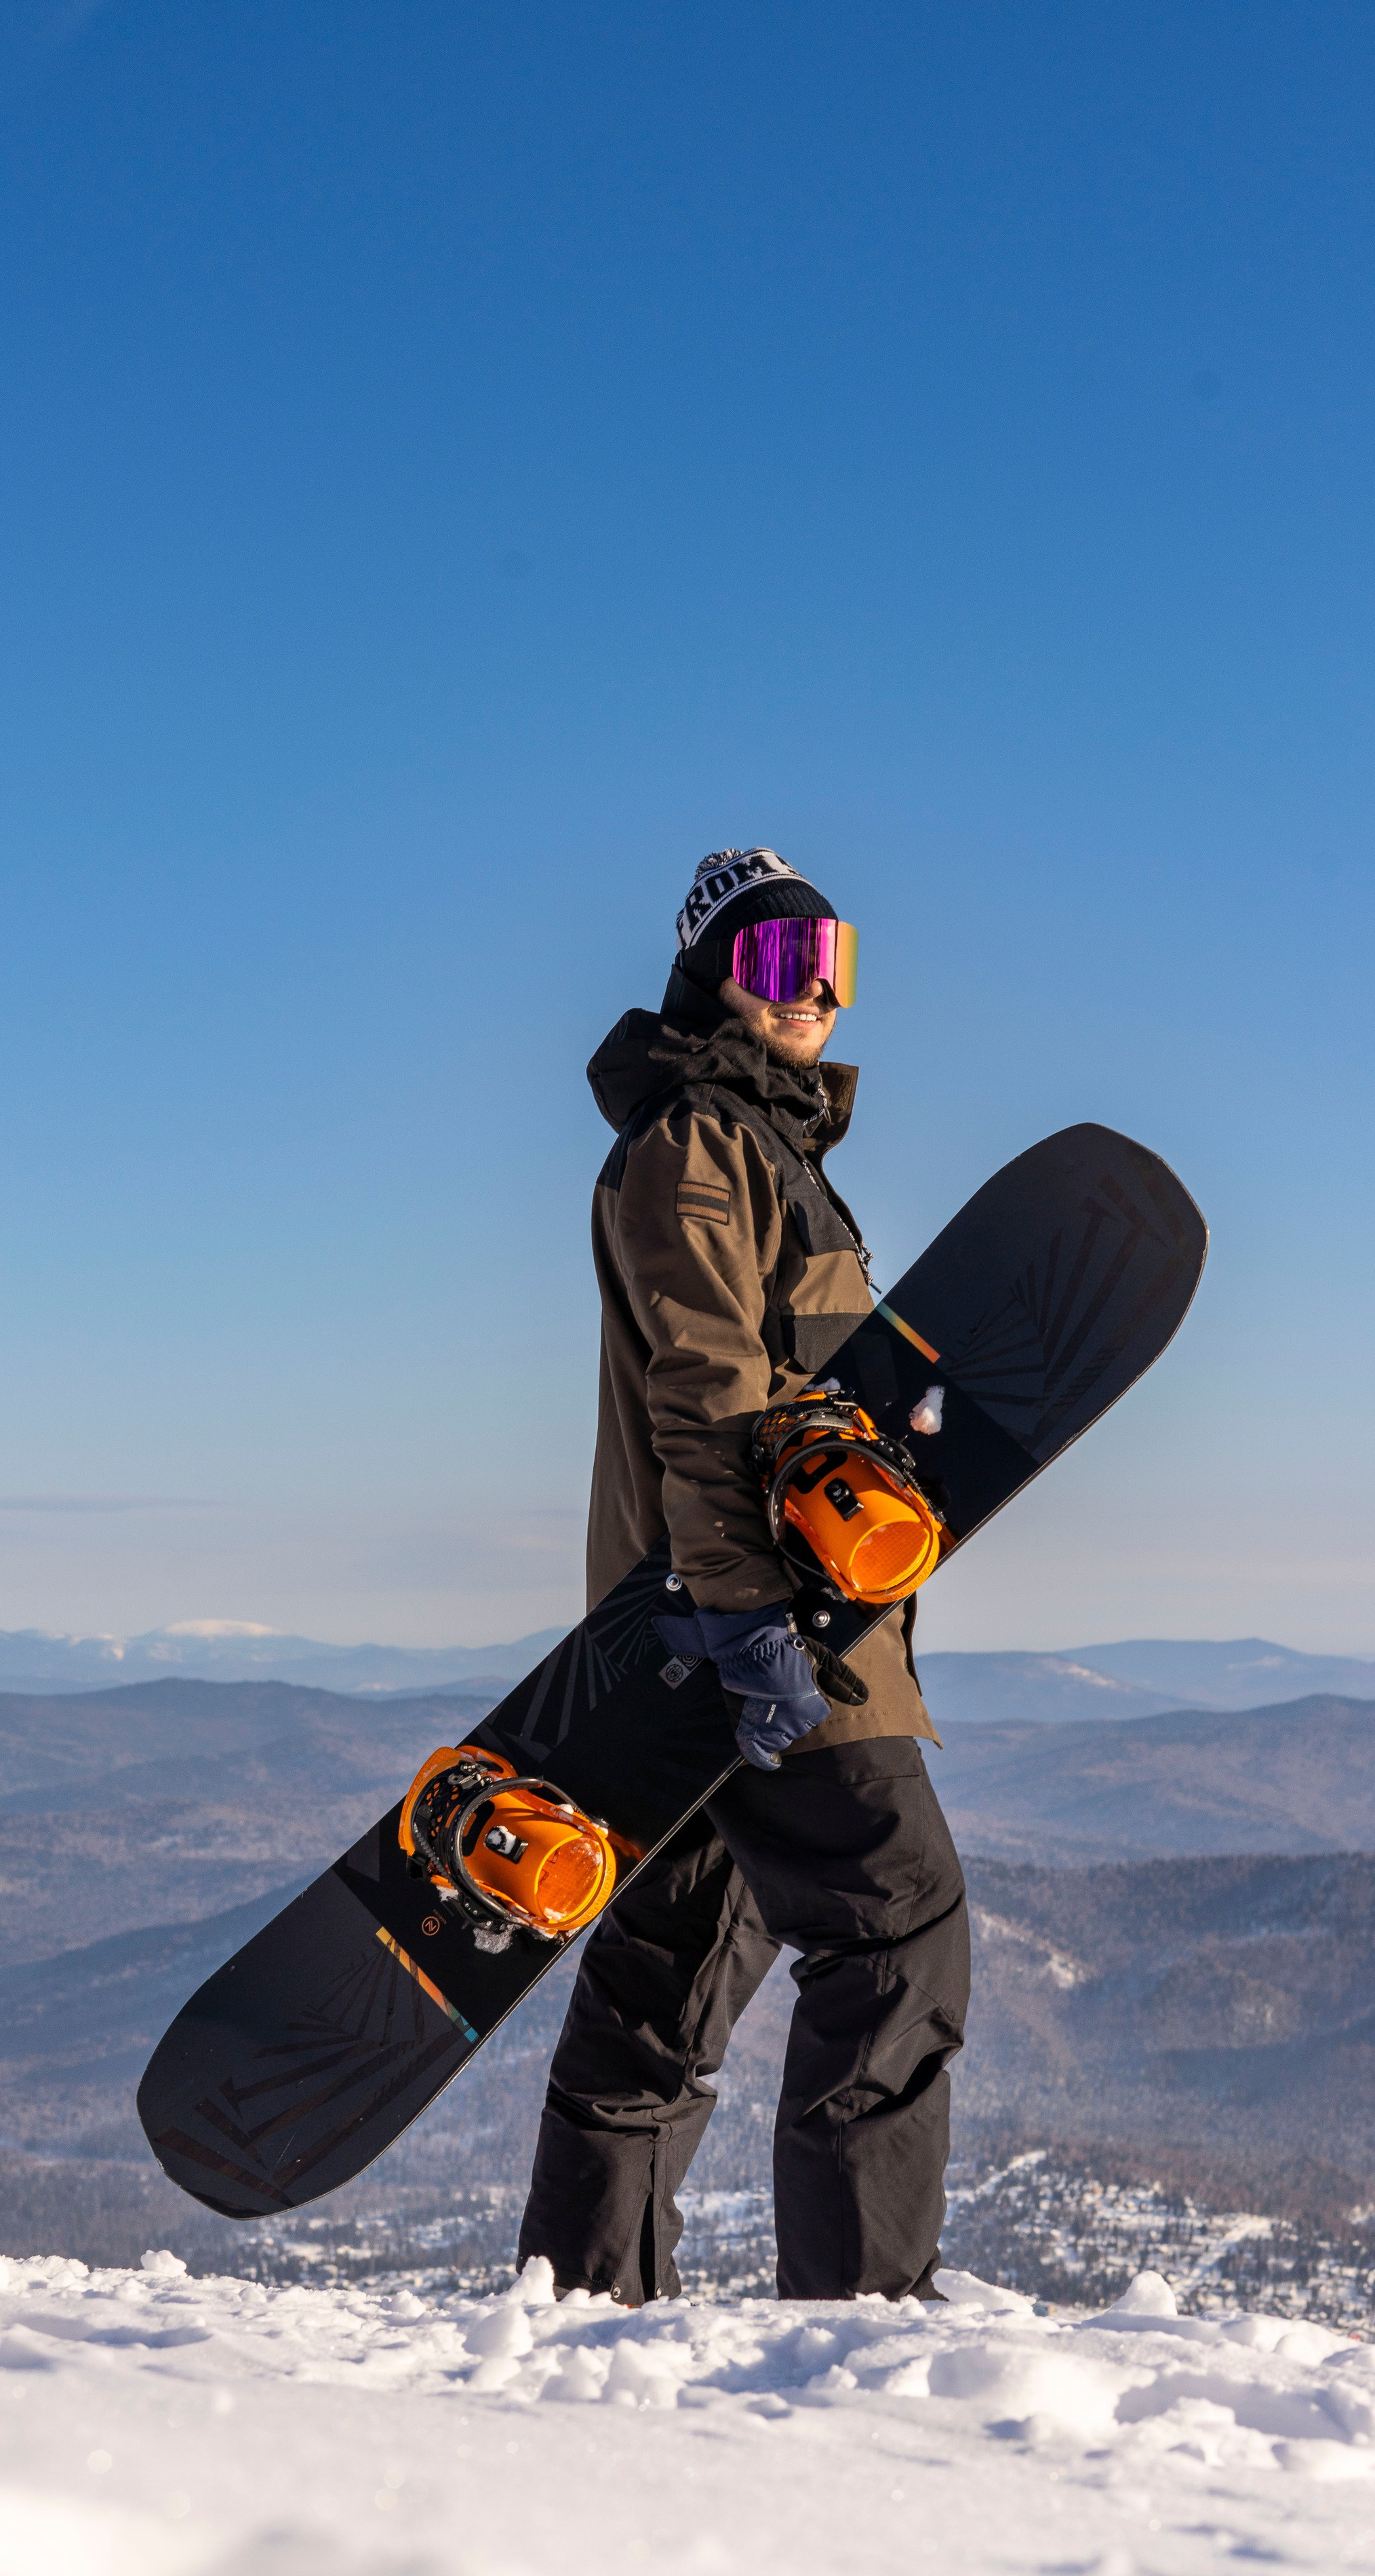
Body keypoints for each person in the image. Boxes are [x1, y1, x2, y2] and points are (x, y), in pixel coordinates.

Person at [517, 848, 971, 2304]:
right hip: (761, 1627)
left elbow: (776, 1391)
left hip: (716, 1624)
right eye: (779, 962)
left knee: (668, 1969)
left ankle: (580, 2307)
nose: (815, 993)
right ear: (713, 973)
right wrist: (747, 1615)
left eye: (832, 959)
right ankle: (859, 2324)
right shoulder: (698, 1141)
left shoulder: (763, 1153)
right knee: (895, 1925)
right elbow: (706, 1389)